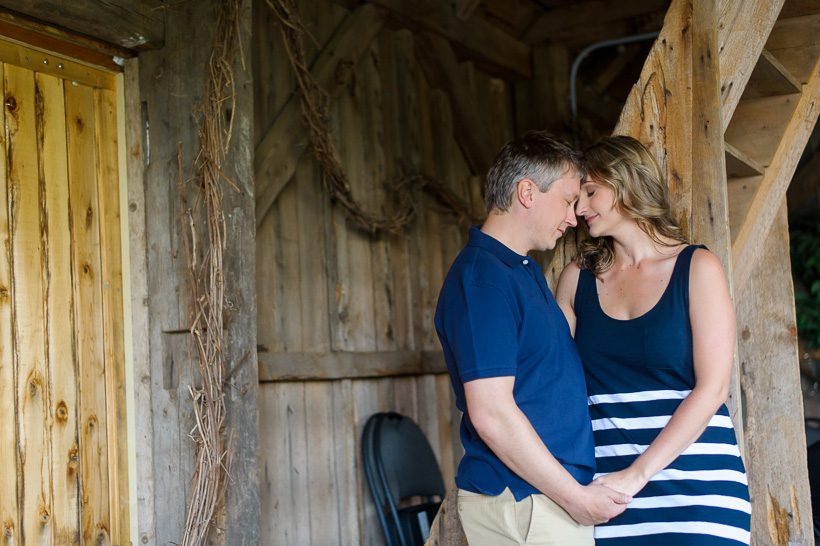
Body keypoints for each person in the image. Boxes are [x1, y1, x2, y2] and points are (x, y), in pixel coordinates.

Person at [435, 131, 630, 546]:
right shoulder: (482, 281)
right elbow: (491, 413)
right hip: (525, 504)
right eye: (566, 199)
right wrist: (574, 498)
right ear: (527, 192)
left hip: (542, 502)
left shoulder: (519, 271)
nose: (574, 216)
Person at [556, 135, 751, 545]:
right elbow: (553, 383)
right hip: (607, 498)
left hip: (700, 492)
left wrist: (637, 474)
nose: (579, 209)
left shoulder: (698, 267)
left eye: (590, 192)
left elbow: (713, 387)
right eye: (576, 198)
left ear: (627, 182)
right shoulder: (577, 280)